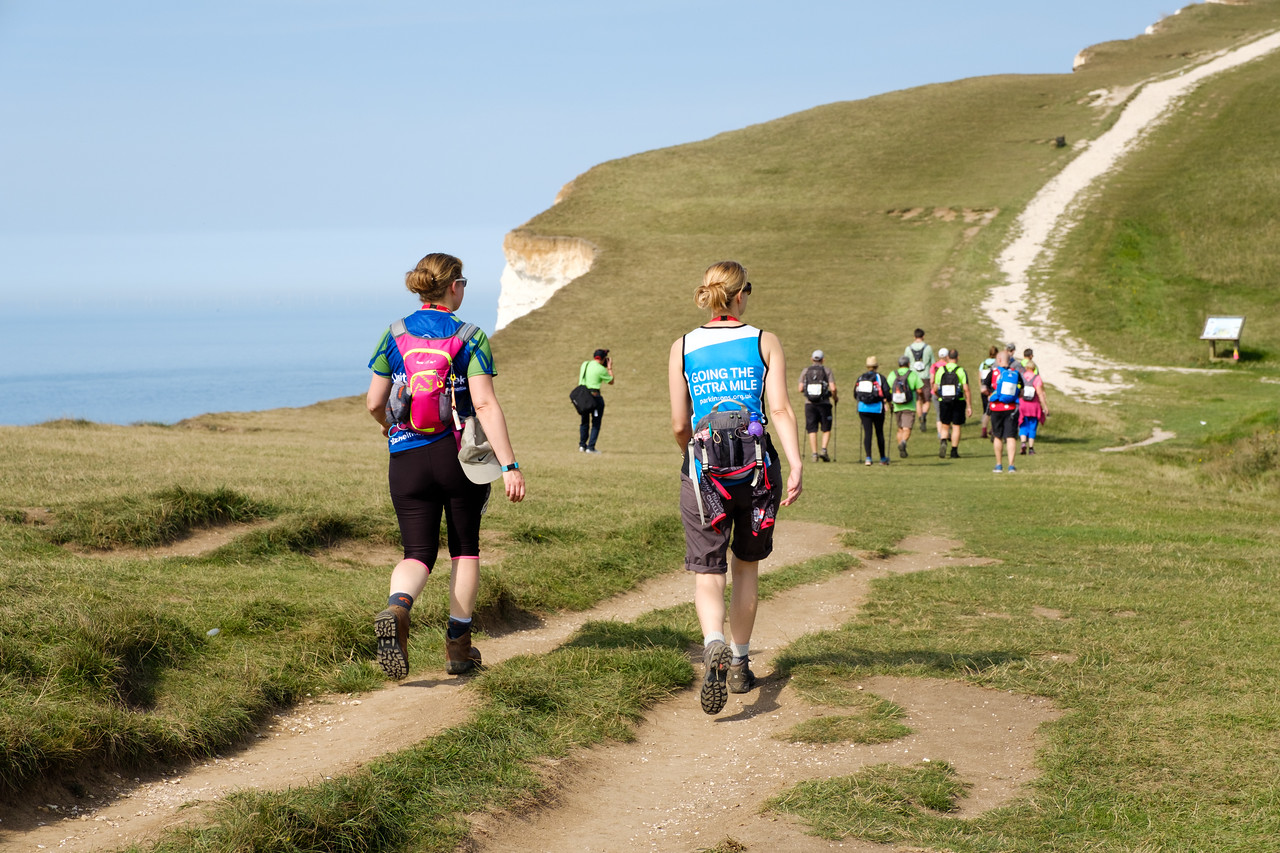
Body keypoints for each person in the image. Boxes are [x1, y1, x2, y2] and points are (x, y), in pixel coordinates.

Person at [366, 252, 526, 681]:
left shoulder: (394, 334)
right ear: (454, 286)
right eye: (464, 283)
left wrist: (388, 427)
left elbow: (374, 402)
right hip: (459, 459)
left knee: (417, 552)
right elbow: (485, 404)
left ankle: (398, 608)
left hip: (406, 456)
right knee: (464, 548)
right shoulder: (470, 336)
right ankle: (458, 647)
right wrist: (509, 465)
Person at [668, 261, 803, 716]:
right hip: (757, 469)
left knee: (709, 571)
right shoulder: (765, 341)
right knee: (745, 567)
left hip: (704, 470)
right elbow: (779, 409)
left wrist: (691, 457)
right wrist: (797, 461)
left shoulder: (682, 346)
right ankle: (741, 663)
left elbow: (679, 423)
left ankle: (713, 643)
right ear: (742, 294)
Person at [984, 350, 1023, 473]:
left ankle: (999, 465)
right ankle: (1011, 465)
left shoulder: (993, 373)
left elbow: (984, 388)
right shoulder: (1015, 373)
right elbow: (1022, 391)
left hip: (996, 408)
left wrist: (990, 395)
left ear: (999, 360)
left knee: (997, 436)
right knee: (1011, 437)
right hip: (1011, 409)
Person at [798, 350, 838, 462]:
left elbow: (800, 388)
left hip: (809, 404)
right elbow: (833, 388)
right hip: (824, 404)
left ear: (812, 359)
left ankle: (814, 454)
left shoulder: (806, 371)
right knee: (826, 428)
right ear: (823, 360)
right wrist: (835, 397)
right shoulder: (827, 371)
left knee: (812, 429)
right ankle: (824, 450)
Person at [933, 348, 972, 459]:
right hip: (958, 401)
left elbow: (935, 388)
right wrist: (969, 406)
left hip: (944, 401)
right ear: (957, 358)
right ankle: (954, 451)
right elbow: (966, 389)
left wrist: (939, 396)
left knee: (945, 425)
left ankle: (943, 441)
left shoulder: (940, 370)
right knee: (956, 426)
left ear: (947, 357)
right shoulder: (961, 371)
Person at [854, 356, 890, 466]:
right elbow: (886, 392)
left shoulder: (861, 377)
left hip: (863, 409)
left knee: (867, 433)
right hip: (877, 409)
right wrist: (888, 402)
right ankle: (882, 458)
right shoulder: (880, 378)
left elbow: (855, 394)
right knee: (879, 432)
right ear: (876, 366)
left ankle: (868, 458)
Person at [577, 348, 614, 453]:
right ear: (603, 359)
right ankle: (591, 447)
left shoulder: (585, 364)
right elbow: (611, 381)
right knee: (596, 423)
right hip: (594, 398)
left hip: (583, 397)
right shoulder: (601, 369)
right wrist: (609, 368)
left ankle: (582, 445)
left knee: (584, 422)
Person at [886, 355, 922, 458]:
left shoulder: (893, 374)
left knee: (900, 429)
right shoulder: (912, 374)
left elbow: (887, 389)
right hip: (909, 405)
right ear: (909, 364)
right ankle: (903, 443)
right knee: (907, 428)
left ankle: (901, 448)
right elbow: (919, 389)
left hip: (896, 405)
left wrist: (889, 403)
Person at [903, 329, 934, 431]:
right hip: (925, 377)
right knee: (927, 400)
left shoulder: (908, 349)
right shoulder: (928, 348)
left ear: (914, 337)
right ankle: (924, 415)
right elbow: (933, 364)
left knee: (917, 400)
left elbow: (905, 364)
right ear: (923, 336)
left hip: (913, 377)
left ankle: (920, 417)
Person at [1018, 358, 1048, 455]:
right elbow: (1040, 393)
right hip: (1034, 406)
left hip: (1022, 404)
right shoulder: (1037, 378)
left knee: (1023, 424)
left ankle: (1023, 443)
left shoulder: (1021, 376)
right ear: (1034, 368)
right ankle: (1031, 448)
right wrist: (1045, 406)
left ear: (1026, 367)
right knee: (1032, 426)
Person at [978, 345, 998, 439]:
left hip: (984, 388)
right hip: (993, 388)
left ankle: (984, 430)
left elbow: (980, 377)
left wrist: (981, 387)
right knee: (995, 410)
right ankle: (993, 429)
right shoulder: (997, 363)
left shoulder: (983, 363)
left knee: (985, 411)